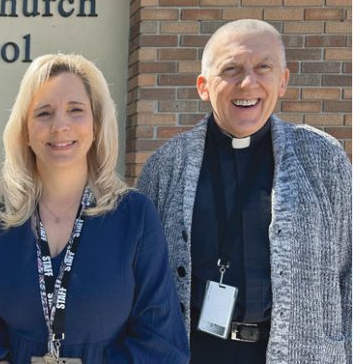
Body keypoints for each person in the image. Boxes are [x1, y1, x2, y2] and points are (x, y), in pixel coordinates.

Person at [137, 19, 351, 364]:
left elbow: (349, 271)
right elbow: (141, 280)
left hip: (297, 352)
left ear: (283, 81)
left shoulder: (323, 159)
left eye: (263, 68)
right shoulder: (166, 166)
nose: (248, 83)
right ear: (204, 86)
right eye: (231, 69)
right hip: (193, 351)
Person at [0, 54, 189, 363]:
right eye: (44, 113)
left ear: (95, 124)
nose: (60, 125)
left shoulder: (134, 215)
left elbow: (160, 336)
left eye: (76, 110)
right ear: (25, 130)